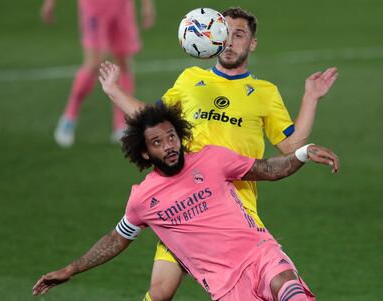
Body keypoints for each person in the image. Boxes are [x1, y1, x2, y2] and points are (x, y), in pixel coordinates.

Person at [99, 7, 338, 301]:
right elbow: (152, 120)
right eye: (224, 32)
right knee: (160, 292)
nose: (229, 40)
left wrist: (310, 98)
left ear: (252, 44)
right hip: (186, 204)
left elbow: (290, 146)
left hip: (236, 210)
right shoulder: (190, 80)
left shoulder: (264, 92)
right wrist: (113, 91)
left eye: (239, 35)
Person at [32, 103, 339, 300]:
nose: (168, 146)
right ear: (144, 153)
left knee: (290, 289)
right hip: (226, 287)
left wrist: (302, 153)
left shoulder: (213, 158)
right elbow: (116, 239)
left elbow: (269, 170)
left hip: (261, 254)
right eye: (157, 142)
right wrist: (71, 268)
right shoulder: (143, 199)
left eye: (171, 137)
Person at [40, 0, 155, 147]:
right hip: (95, 6)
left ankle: (122, 124)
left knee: (123, 62)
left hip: (122, 6)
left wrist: (147, 5)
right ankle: (69, 117)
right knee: (94, 63)